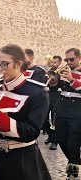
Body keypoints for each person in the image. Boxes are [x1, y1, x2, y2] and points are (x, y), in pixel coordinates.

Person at [0, 44, 51, 180]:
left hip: (22, 159)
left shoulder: (37, 92)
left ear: (18, 64)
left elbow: (31, 132)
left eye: (4, 65)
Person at [54, 48, 81, 178]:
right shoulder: (64, 72)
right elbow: (54, 87)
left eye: (71, 59)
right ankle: (75, 160)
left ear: (79, 58)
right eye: (66, 60)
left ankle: (72, 169)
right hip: (62, 109)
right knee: (60, 139)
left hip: (77, 111)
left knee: (73, 141)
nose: (68, 62)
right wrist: (54, 78)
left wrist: (71, 79)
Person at [44, 55, 62, 150]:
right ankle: (50, 136)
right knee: (44, 119)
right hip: (47, 96)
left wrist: (56, 77)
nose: (53, 64)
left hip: (57, 97)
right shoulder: (48, 71)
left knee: (54, 120)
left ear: (59, 63)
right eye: (52, 62)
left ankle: (54, 141)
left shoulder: (62, 72)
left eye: (55, 62)